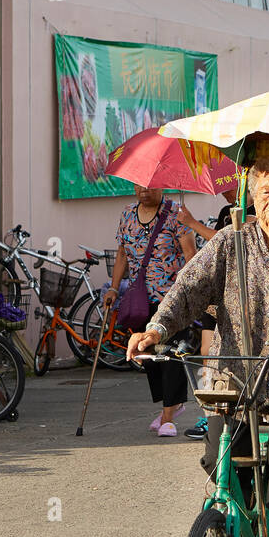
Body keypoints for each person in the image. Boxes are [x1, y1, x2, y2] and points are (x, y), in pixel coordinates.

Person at [127, 156, 269, 537]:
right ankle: (242, 519)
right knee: (219, 454)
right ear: (252, 197)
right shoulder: (229, 242)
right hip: (236, 379)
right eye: (265, 191)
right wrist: (155, 329)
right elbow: (188, 288)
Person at [102, 183, 197, 437]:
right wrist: (113, 287)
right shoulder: (127, 214)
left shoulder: (175, 212)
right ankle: (172, 405)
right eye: (139, 186)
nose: (145, 190)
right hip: (140, 299)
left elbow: (191, 253)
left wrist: (189, 290)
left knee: (172, 354)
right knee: (148, 356)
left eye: (151, 186)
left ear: (162, 187)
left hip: (172, 298)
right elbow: (122, 253)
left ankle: (168, 416)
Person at [177, 188, 256, 441]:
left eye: (226, 185)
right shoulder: (226, 211)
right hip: (219, 291)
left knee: (237, 355)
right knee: (207, 354)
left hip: (244, 295)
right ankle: (210, 411)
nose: (222, 191)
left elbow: (229, 239)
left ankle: (240, 409)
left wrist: (191, 223)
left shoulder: (256, 212)